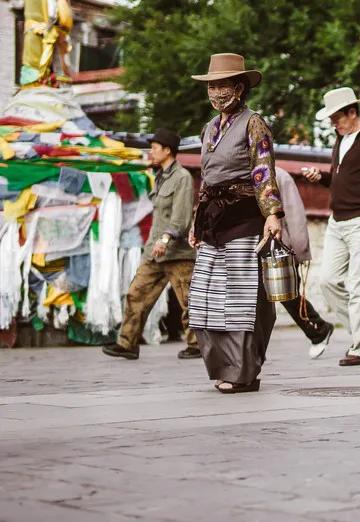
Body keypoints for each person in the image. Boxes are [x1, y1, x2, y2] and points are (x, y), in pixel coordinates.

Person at [187, 53, 283, 394]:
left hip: (243, 215)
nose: (215, 92)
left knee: (239, 299)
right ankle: (223, 367)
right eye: (211, 86)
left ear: (239, 87)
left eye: (221, 85)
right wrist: (196, 223)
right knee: (204, 297)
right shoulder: (209, 128)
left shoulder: (254, 123)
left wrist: (272, 213)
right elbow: (206, 179)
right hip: (213, 218)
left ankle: (243, 372)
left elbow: (263, 170)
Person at [301, 87, 360, 367]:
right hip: (337, 220)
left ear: (352, 112)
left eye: (337, 118)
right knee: (327, 281)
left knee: (358, 285)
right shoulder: (340, 140)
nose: (333, 123)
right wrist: (322, 178)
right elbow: (342, 180)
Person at [102, 129, 200, 361]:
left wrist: (166, 239)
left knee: (189, 301)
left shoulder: (182, 178)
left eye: (155, 148)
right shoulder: (160, 176)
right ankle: (127, 343)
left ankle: (198, 345)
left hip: (178, 253)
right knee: (136, 293)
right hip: (154, 252)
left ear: (168, 151)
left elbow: (182, 217)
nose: (152, 152)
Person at [273, 164, 335, 359]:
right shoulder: (237, 174)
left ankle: (319, 329)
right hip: (251, 248)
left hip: (281, 247)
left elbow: (295, 215)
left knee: (287, 295)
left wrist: (300, 251)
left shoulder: (280, 176)